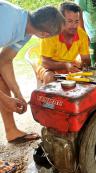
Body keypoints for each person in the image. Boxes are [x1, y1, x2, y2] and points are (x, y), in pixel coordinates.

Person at [0, 0, 65, 144]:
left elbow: (4, 60)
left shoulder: (27, 29)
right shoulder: (6, 26)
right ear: (44, 34)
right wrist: (4, 99)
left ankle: (11, 131)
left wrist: (18, 94)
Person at [37, 2, 90, 84]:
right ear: (60, 20)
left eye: (76, 21)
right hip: (49, 67)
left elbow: (86, 59)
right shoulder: (50, 33)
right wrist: (65, 65)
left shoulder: (82, 35)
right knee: (50, 77)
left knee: (87, 79)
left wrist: (84, 67)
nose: (74, 26)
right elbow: (45, 62)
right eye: (70, 21)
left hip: (70, 64)